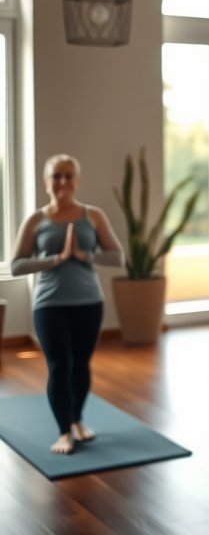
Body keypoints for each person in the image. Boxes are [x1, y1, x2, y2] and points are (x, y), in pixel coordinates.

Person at [9, 155, 124, 455]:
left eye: (68, 176)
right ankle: (63, 432)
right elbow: (16, 265)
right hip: (50, 305)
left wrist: (83, 255)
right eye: (56, 176)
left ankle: (77, 420)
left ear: (77, 180)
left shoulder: (93, 215)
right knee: (60, 367)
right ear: (46, 181)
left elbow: (117, 257)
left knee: (81, 365)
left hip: (88, 302)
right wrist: (56, 260)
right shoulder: (36, 220)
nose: (62, 182)